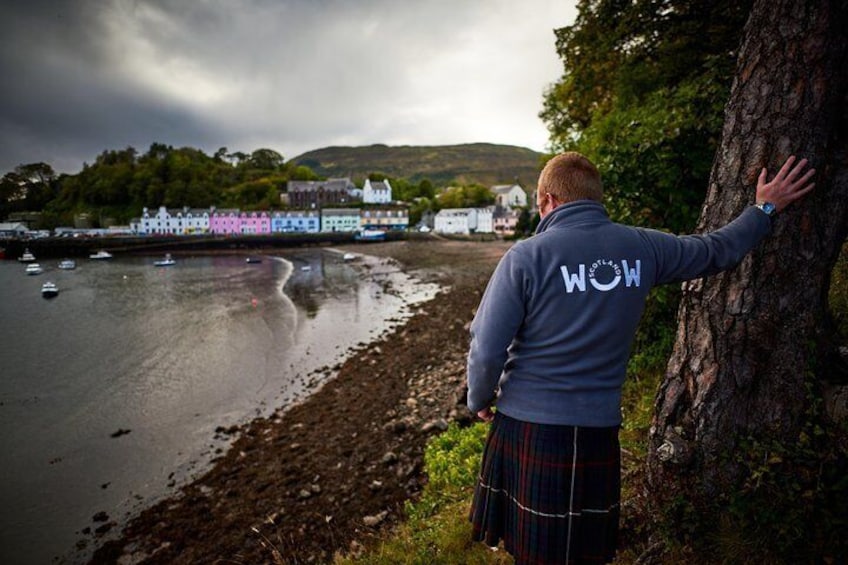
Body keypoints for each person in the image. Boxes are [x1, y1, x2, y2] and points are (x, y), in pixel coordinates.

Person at [466, 152, 815, 564]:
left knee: (533, 549)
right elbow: (717, 249)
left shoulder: (526, 257)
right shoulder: (641, 246)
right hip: (596, 429)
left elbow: (486, 346)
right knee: (584, 551)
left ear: (547, 200)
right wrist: (765, 208)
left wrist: (479, 398)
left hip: (529, 427)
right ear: (595, 199)